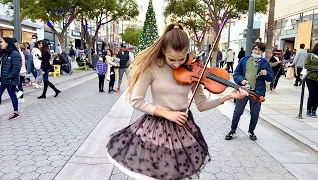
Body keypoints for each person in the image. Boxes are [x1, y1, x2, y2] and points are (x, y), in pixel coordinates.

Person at [106, 23, 248, 180]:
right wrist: (167, 114)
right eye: (171, 59)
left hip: (183, 127)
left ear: (187, 52)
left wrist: (228, 97)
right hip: (156, 127)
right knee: (157, 173)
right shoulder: (152, 67)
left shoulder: (193, 69)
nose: (176, 64)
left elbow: (201, 105)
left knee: (177, 174)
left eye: (181, 59)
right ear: (163, 51)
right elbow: (136, 101)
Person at [225, 42, 274, 141]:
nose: (257, 51)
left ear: (262, 52)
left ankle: (251, 131)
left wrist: (266, 73)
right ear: (252, 50)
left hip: (257, 93)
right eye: (255, 49)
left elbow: (271, 78)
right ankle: (232, 131)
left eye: (259, 50)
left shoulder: (264, 63)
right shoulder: (244, 60)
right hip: (244, 90)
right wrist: (241, 80)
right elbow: (236, 74)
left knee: (255, 114)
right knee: (238, 111)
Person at [0, 37, 22, 120]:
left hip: (9, 80)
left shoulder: (15, 54)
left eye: (2, 42)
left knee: (12, 96)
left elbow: (16, 68)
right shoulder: (4, 53)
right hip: (2, 80)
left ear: (7, 43)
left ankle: (16, 112)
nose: (0, 43)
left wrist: (8, 76)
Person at [304, 43, 318, 118]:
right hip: (311, 78)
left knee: (317, 95)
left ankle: (314, 110)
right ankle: (309, 109)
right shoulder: (311, 55)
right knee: (312, 94)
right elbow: (306, 65)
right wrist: (316, 67)